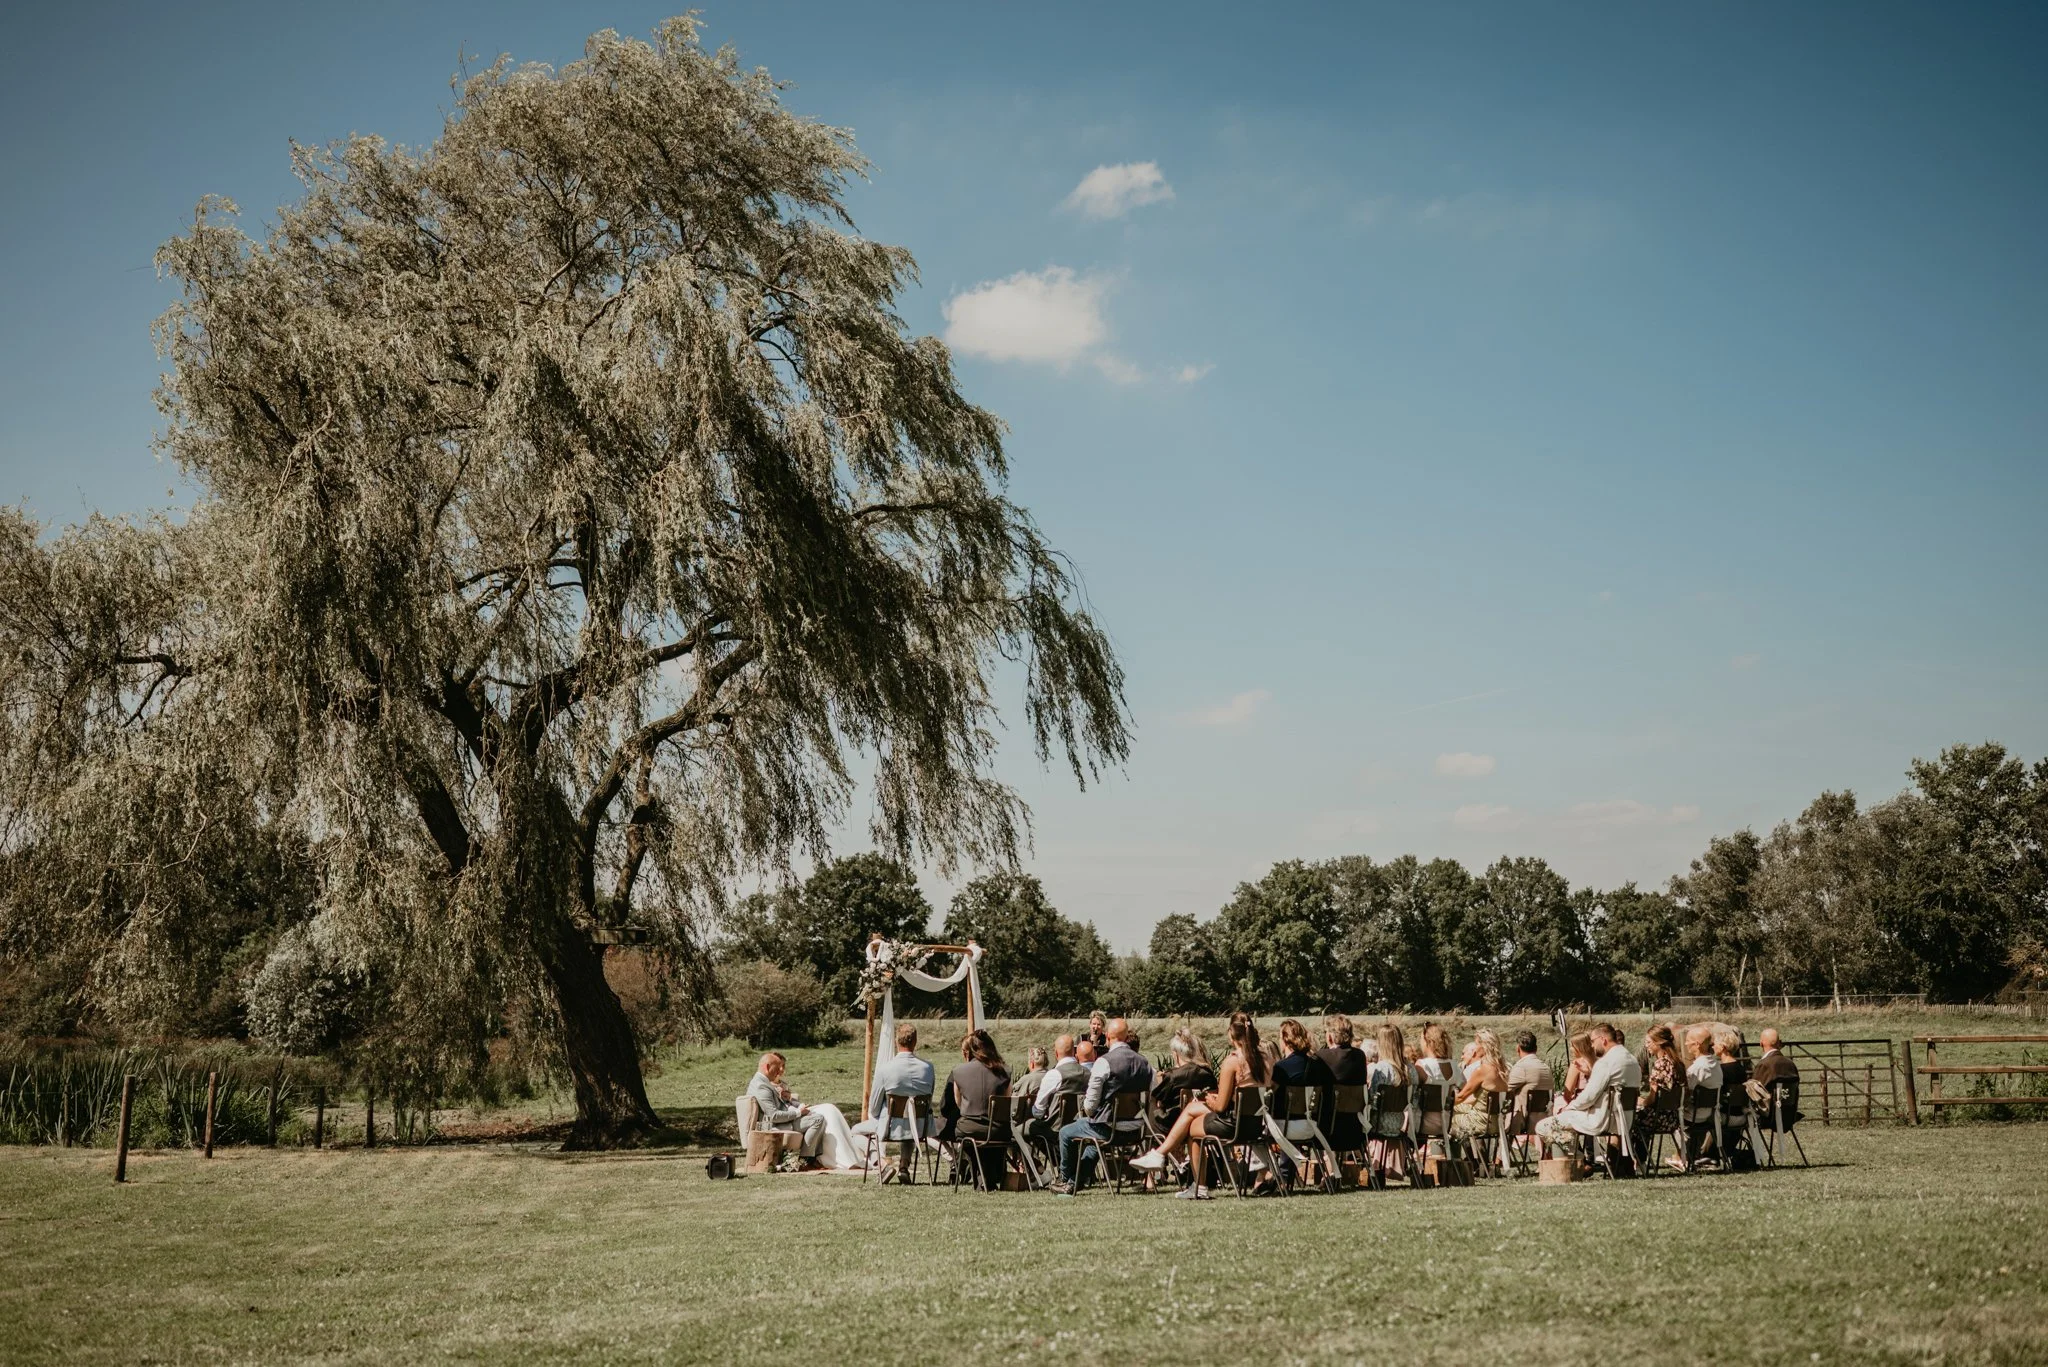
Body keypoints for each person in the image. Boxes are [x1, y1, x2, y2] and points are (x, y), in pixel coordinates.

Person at [1129, 1011, 1268, 1200]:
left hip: (1234, 1125)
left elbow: (1220, 1107)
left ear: (1230, 1033)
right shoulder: (1266, 1060)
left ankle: (1194, 1182)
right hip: (1256, 1124)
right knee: (1192, 1113)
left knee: (1193, 1127)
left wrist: (1209, 1100)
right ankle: (1164, 1159)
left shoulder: (1232, 1062)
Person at [1051, 1018, 1154, 1195]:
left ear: (1107, 1036)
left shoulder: (1104, 1062)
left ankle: (1064, 1179)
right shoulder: (1145, 1063)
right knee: (1092, 1146)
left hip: (1109, 1127)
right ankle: (1075, 1182)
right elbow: (1153, 1095)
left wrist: (1090, 1114)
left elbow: (1090, 1103)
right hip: (1136, 1130)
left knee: (1065, 1132)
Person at [1535, 1021, 1639, 1163]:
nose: (1591, 1045)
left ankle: (1580, 1160)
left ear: (1603, 1039)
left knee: (1542, 1126)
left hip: (1601, 1120)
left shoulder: (1606, 1062)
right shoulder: (1632, 1061)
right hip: (1625, 1119)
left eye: (1592, 1041)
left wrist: (1569, 1108)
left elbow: (1589, 1096)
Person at [851, 1022, 936, 1182]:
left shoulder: (885, 1069)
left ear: (897, 1041)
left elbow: (874, 1107)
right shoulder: (928, 1068)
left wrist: (881, 1113)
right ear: (915, 1041)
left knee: (855, 1131)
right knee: (909, 1127)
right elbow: (929, 1098)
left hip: (891, 1126)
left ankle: (882, 1163)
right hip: (920, 1126)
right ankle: (904, 1166)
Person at [746, 1051, 853, 1170]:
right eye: (776, 1068)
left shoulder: (762, 1082)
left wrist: (788, 1100)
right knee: (817, 1119)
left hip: (783, 1120)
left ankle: (812, 1158)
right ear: (767, 1067)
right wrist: (798, 1113)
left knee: (818, 1116)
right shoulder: (762, 1086)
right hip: (776, 1125)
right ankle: (805, 1159)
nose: (779, 1072)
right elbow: (774, 1116)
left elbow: (779, 1105)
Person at [940, 1029, 1011, 1189]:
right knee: (990, 1139)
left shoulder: (958, 1071)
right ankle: (989, 1177)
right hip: (998, 1129)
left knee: (970, 1135)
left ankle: (982, 1178)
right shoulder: (1005, 1072)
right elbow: (1007, 1101)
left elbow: (959, 1104)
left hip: (969, 1128)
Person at [1317, 1015, 1370, 1152]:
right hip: (1355, 1127)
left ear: (1330, 1036)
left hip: (1328, 1128)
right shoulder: (1360, 1056)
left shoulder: (1322, 1056)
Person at [1679, 1024, 1724, 1171]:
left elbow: (1685, 1093)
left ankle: (1681, 1155)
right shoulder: (1716, 1065)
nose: (1685, 1044)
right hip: (1710, 1114)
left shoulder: (1697, 1068)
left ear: (1697, 1044)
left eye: (1688, 1041)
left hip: (1693, 1116)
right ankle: (1692, 1155)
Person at [1450, 1029, 1507, 1142]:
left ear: (1484, 1046)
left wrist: (1443, 1101)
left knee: (1445, 1118)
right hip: (1497, 1122)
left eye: (1476, 1044)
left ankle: (1451, 1157)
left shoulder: (1482, 1070)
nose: (1475, 1049)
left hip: (1479, 1122)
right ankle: (1472, 1156)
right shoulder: (1503, 1069)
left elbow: (1461, 1097)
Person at [1635, 1023, 1684, 1151]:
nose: (1646, 1046)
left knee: (1629, 1120)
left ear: (1659, 1042)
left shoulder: (1660, 1065)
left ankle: (1638, 1159)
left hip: (1659, 1119)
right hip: (1674, 1118)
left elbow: (1652, 1100)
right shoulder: (1677, 1062)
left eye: (1648, 1042)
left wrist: (1640, 1101)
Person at [1152, 1028, 1216, 1117]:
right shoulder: (1207, 1073)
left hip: (1173, 1121)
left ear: (1175, 1054)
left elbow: (1158, 1101)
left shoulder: (1172, 1076)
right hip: (1200, 1118)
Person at [1506, 1031, 1550, 1101]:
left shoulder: (1521, 1068)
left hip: (1524, 1111)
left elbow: (1505, 1090)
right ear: (1536, 1048)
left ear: (1518, 1048)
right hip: (1546, 1111)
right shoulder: (1547, 1068)